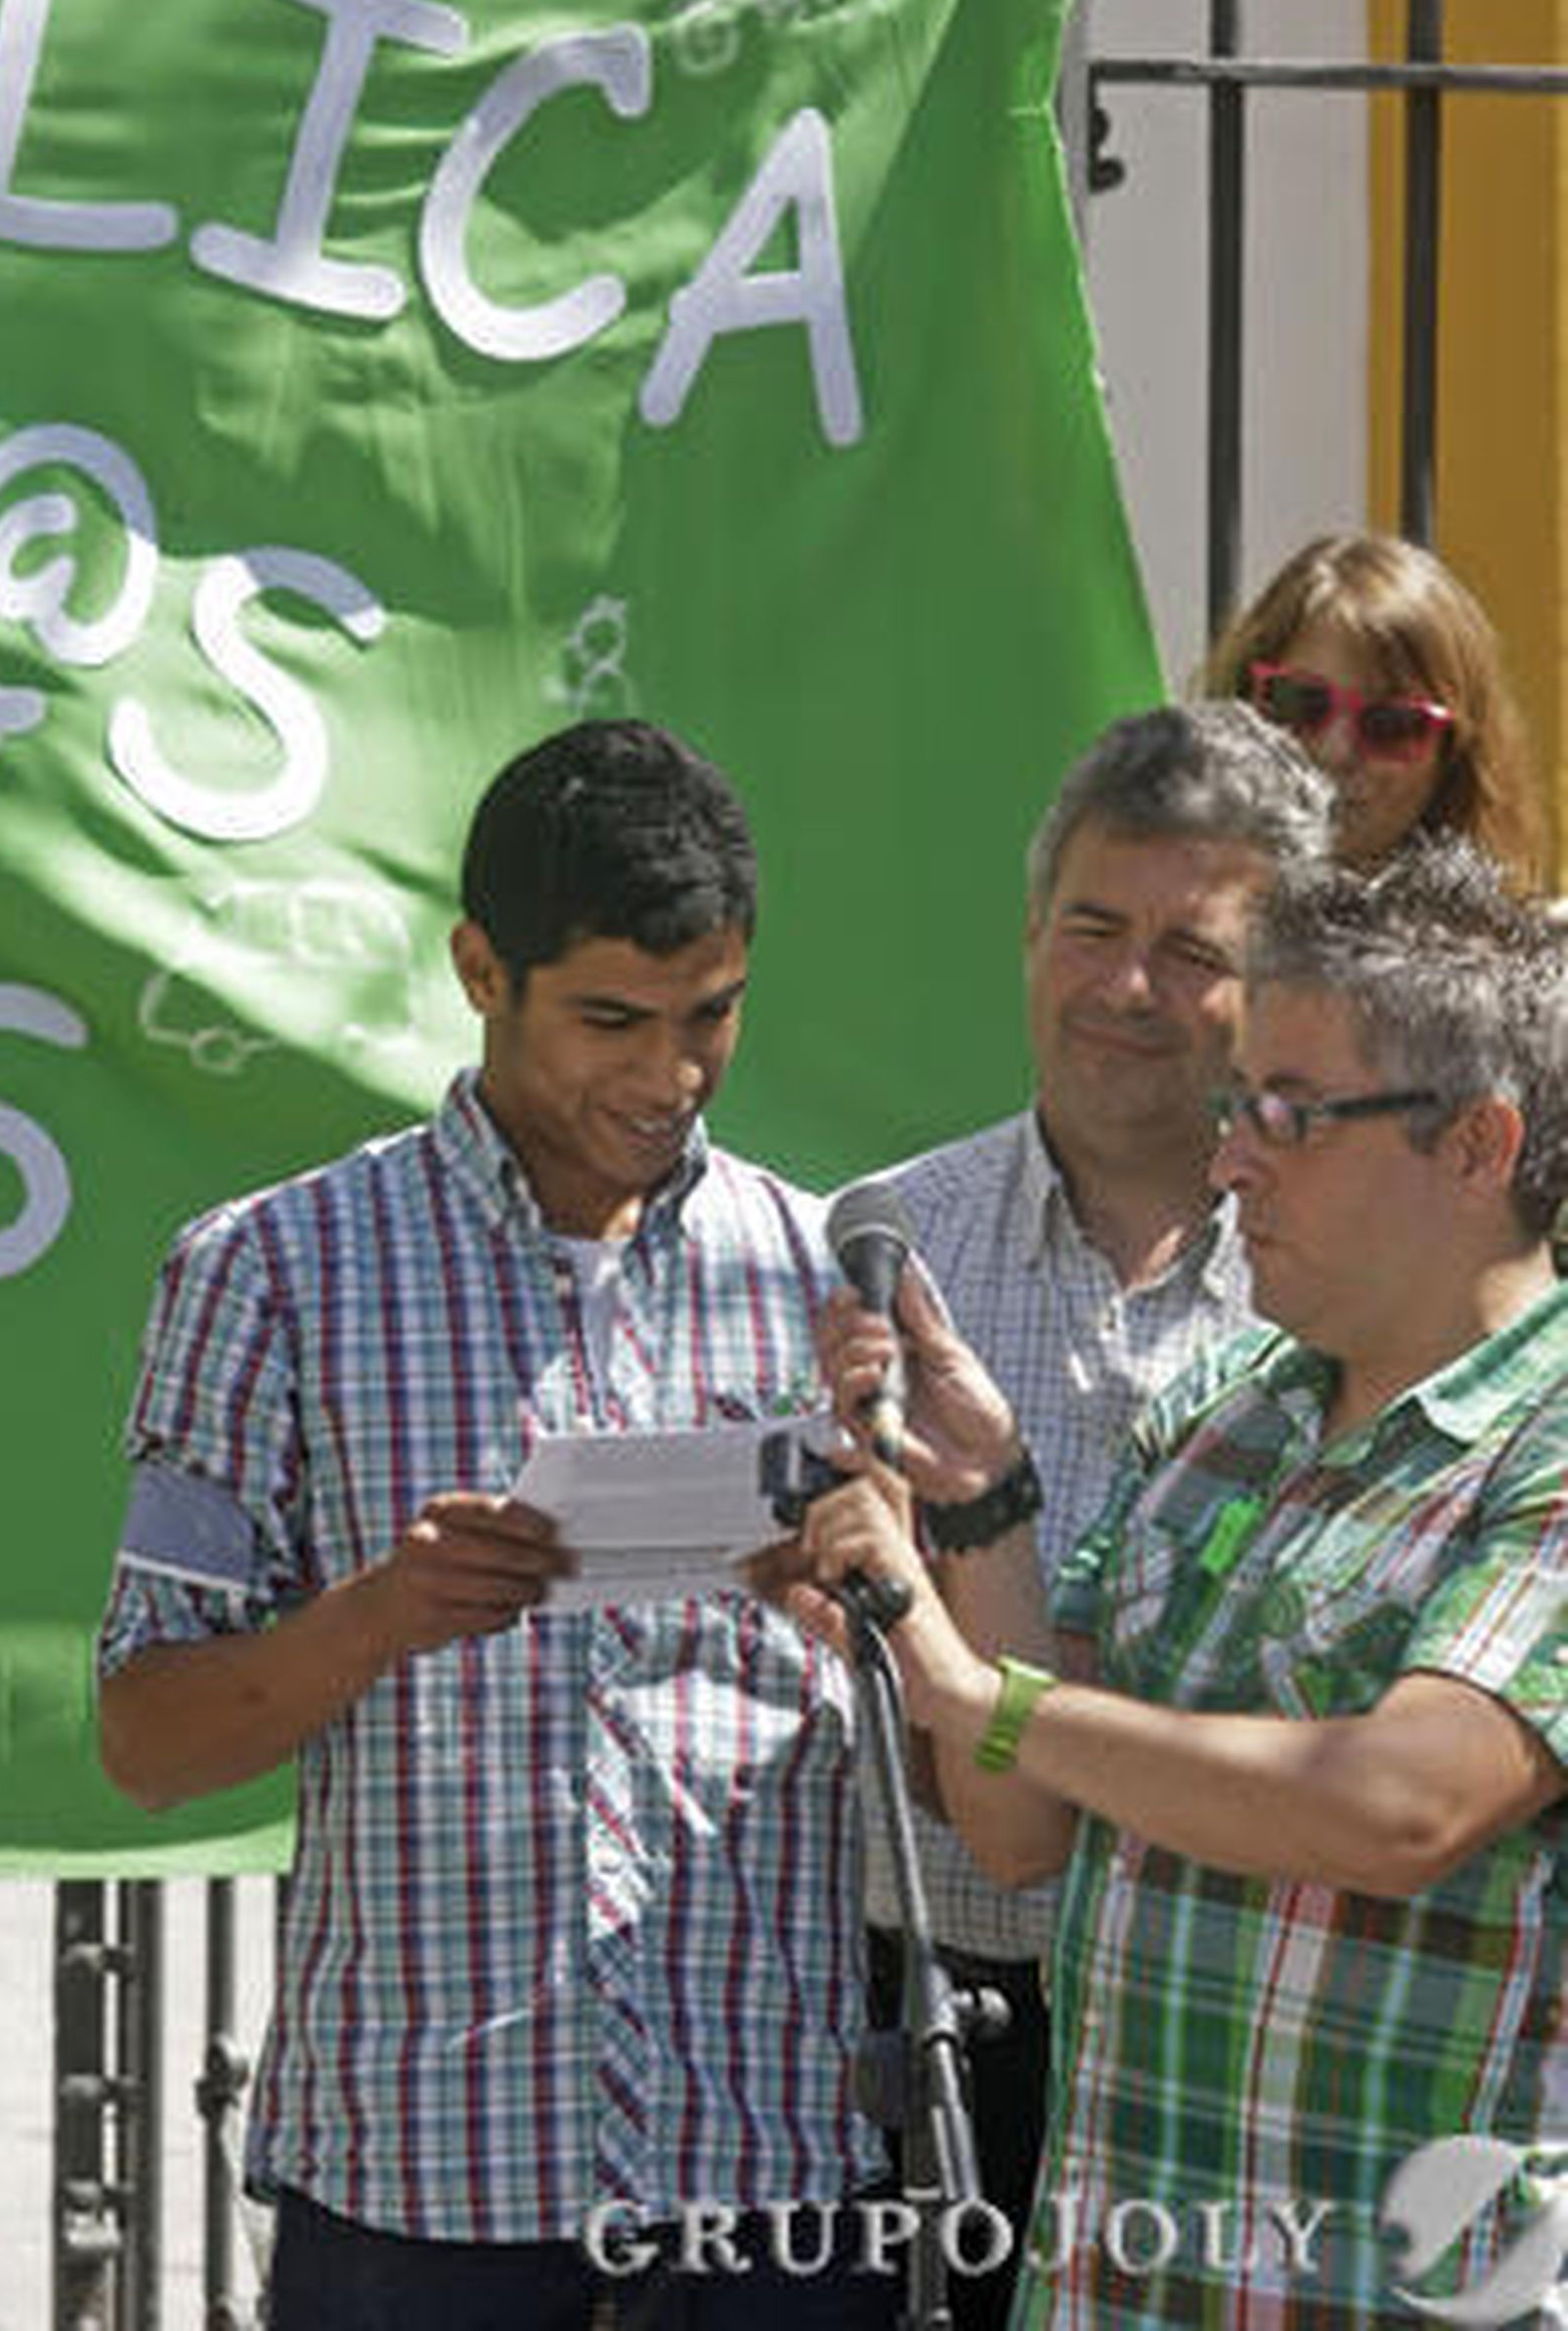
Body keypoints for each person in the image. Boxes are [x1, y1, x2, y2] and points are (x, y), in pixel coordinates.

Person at [95, 719, 893, 2331]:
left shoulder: (823, 1270)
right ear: (480, 969)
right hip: (419, 2185)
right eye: (612, 1019)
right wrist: (378, 1612)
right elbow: (147, 1737)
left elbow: (939, 1737)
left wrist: (865, 1597)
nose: (669, 1075)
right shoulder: (270, 1270)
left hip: (769, 2176)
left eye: (711, 1014)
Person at [792, 836, 1568, 2325]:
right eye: (1235, 1105)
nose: (1228, 1161)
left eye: (1289, 1114)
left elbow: (1400, 1804)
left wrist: (970, 1692)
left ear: (1478, 1144)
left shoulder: (1546, 1433)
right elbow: (1021, 1828)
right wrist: (983, 1507)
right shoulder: (1228, 1407)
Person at [858, 700, 1335, 2331]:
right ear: (1028, 933)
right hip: (920, 2030)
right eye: (1093, 926)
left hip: (1236, 2039)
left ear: (1283, 988)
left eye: (1193, 952)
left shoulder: (1357, 1283)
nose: (1128, 987)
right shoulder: (880, 1251)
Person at [1200, 531, 1545, 883]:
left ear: (1453, 756)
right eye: (1301, 703)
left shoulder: (1504, 920)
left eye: (1390, 725)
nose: (1336, 751)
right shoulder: (1170, 907)